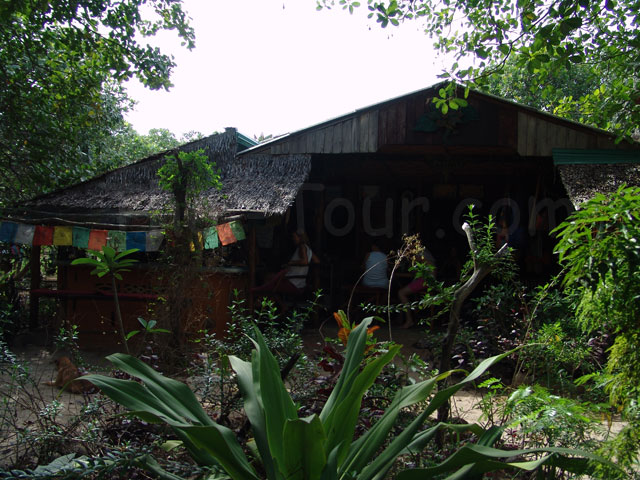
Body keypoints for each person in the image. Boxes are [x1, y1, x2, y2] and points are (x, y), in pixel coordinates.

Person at [252, 230, 319, 295]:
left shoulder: (302, 247)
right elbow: (317, 261)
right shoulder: (308, 249)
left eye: (294, 237)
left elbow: (305, 261)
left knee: (267, 278)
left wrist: (291, 263)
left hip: (293, 282)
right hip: (300, 283)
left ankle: (266, 298)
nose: (293, 239)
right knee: (269, 277)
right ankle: (270, 298)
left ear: (300, 237)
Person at [397, 247, 436, 329]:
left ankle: (409, 320)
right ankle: (405, 318)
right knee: (406, 291)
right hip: (428, 281)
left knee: (401, 293)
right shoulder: (425, 254)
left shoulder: (421, 254)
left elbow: (413, 271)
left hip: (425, 281)